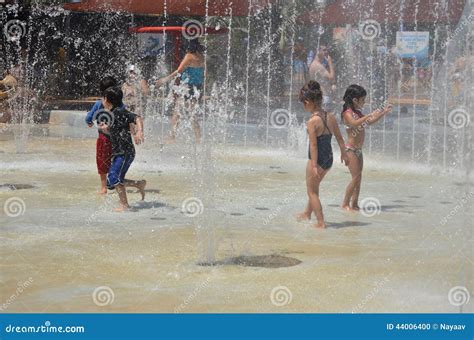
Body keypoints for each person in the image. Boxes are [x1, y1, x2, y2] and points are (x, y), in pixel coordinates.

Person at [296, 81, 349, 229]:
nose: (303, 107)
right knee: (315, 187)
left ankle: (321, 222)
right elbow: (339, 137)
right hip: (328, 159)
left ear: (308, 102)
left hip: (317, 159)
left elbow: (313, 145)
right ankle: (307, 213)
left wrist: (313, 165)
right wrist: (344, 153)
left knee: (312, 192)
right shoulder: (330, 116)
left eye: (303, 104)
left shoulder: (312, 122)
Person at [340, 85, 392, 211]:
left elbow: (369, 122)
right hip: (351, 150)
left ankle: (355, 204)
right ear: (355, 100)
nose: (364, 102)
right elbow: (354, 123)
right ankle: (345, 203)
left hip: (359, 151)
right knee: (355, 177)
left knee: (359, 178)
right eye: (363, 100)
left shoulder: (358, 113)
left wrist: (383, 113)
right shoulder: (347, 113)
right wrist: (368, 115)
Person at [99, 86, 146, 212]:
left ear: (108, 100)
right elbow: (119, 129)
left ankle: (124, 205)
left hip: (125, 152)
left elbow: (137, 117)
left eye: (103, 98)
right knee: (111, 183)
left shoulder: (120, 111)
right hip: (119, 152)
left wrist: (139, 132)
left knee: (114, 177)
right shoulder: (113, 113)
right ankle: (138, 184)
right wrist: (107, 129)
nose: (102, 101)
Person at [156, 39, 205, 143]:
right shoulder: (201, 57)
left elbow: (179, 71)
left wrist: (165, 79)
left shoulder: (189, 56)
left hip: (188, 87)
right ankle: (198, 138)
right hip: (197, 88)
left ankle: (172, 137)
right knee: (192, 114)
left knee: (177, 112)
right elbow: (204, 74)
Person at [85, 76, 124, 195]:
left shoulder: (99, 104)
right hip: (118, 138)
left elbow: (88, 119)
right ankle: (114, 182)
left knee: (102, 160)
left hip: (104, 138)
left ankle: (103, 187)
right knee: (116, 160)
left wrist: (91, 122)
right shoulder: (121, 105)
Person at [309, 45, 336, 112]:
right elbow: (331, 77)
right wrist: (330, 62)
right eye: (324, 50)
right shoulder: (317, 65)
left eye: (326, 50)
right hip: (324, 97)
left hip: (321, 98)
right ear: (317, 51)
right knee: (327, 120)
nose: (326, 52)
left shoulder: (313, 64)